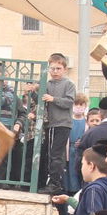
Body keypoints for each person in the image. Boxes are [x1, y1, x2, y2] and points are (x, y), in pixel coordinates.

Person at [41, 53, 77, 199]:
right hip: (50, 123)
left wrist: (53, 99)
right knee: (50, 153)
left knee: (56, 154)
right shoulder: (48, 84)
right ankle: (51, 181)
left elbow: (69, 102)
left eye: (58, 68)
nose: (55, 71)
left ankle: (55, 183)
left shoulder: (69, 84)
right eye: (52, 68)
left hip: (62, 123)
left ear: (64, 69)